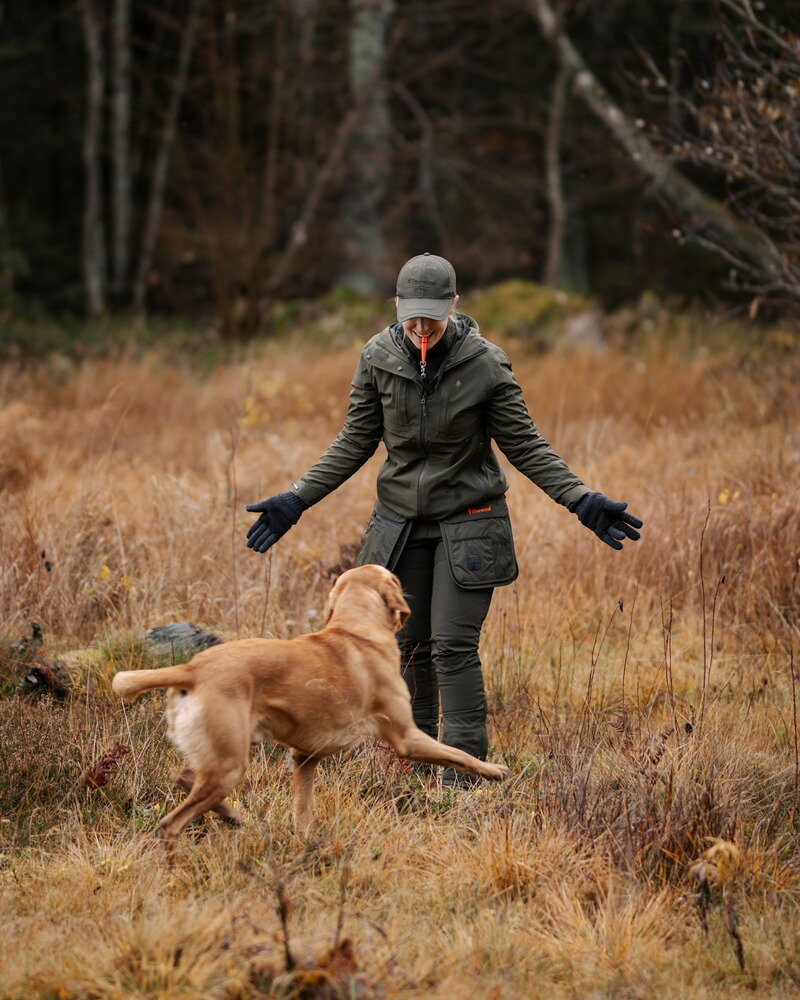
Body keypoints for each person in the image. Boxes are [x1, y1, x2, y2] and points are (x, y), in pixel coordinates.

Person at [245, 253, 642, 785]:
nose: (421, 326)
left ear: (454, 306)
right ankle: (416, 767)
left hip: (469, 522)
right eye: (412, 315)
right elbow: (354, 441)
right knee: (407, 647)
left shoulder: (486, 364)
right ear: (397, 306)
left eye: (433, 315)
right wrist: (297, 499)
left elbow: (525, 446)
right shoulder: (378, 357)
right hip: (399, 526)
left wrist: (581, 500)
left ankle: (462, 780)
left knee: (452, 646)